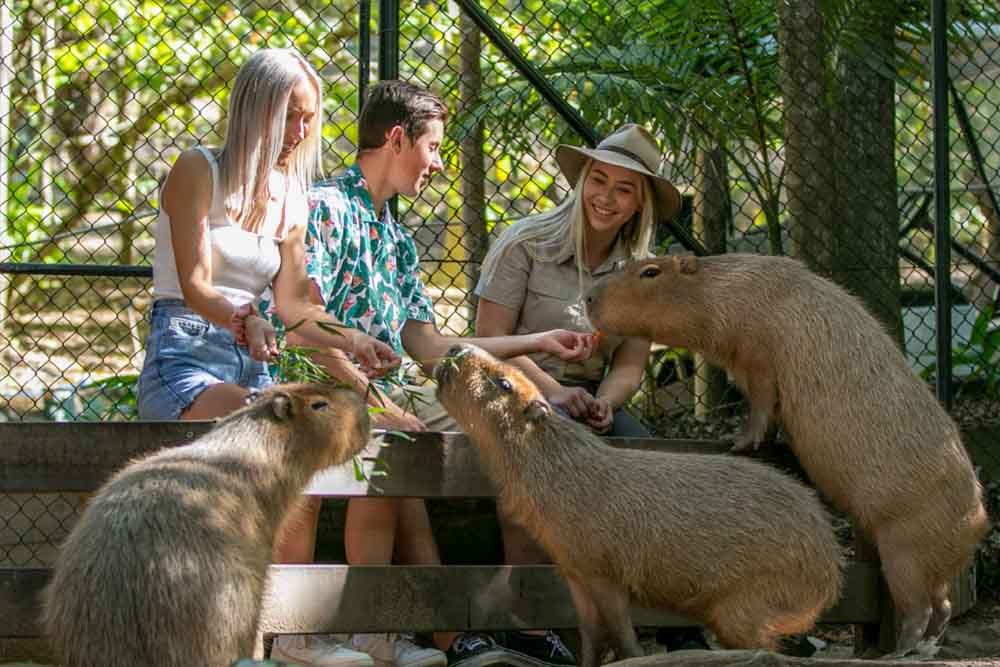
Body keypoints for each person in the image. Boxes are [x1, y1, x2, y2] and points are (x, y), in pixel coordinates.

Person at [269, 80, 595, 667]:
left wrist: (535, 341)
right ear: (397, 139)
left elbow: (426, 345)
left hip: (395, 387)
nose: (439, 164)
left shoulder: (396, 237)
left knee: (517, 424)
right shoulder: (322, 209)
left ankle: (520, 616)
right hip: (327, 380)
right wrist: (377, 400)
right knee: (392, 443)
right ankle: (360, 626)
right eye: (435, 147)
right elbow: (303, 329)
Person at [136, 48, 398, 667]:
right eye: (291, 117)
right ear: (257, 111)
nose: (302, 133)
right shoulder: (197, 169)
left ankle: (289, 638)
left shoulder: (291, 195)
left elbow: (293, 306)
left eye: (310, 119)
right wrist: (243, 318)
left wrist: (351, 339)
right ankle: (265, 640)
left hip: (254, 364)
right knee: (275, 433)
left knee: (298, 434)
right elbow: (199, 284)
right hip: (185, 351)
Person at [474, 123, 710, 654]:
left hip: (586, 401)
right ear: (581, 183)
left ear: (638, 205)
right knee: (538, 459)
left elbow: (629, 363)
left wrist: (606, 403)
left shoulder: (639, 273)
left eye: (624, 189)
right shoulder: (525, 242)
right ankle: (527, 618)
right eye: (598, 180)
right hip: (515, 388)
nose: (606, 197)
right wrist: (552, 391)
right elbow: (488, 342)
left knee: (653, 461)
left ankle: (676, 622)